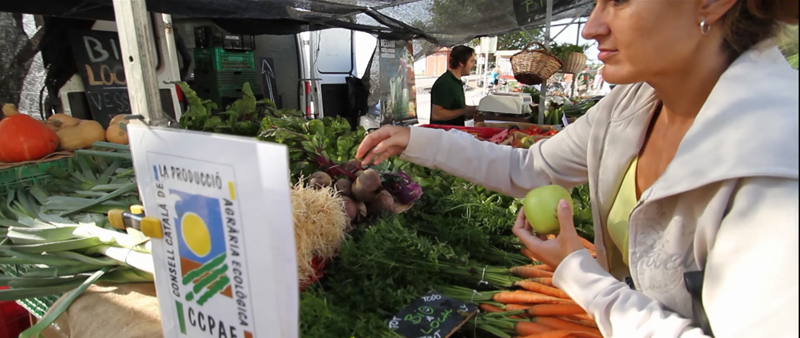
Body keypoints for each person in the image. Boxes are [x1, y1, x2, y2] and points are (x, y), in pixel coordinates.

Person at [355, 0, 798, 337]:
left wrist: (578, 273)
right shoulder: (634, 102)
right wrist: (419, 139)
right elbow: (531, 168)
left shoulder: (775, 163)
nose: (591, 26)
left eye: (619, 0)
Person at [429, 45, 478, 126]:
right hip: (444, 135)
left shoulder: (456, 82)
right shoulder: (445, 83)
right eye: (471, 61)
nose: (473, 65)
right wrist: (464, 111)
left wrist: (476, 109)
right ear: (461, 63)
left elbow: (455, 108)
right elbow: (437, 115)